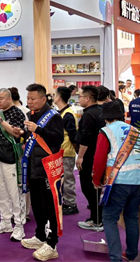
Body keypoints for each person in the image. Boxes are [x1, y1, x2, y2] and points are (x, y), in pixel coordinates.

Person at [93, 101, 140, 262]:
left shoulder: (106, 131)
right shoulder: (137, 131)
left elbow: (99, 158)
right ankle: (132, 255)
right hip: (139, 179)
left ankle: (115, 258)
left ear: (105, 118)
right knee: (132, 217)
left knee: (110, 218)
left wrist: (96, 179)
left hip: (118, 180)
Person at [18, 83, 64, 261]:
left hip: (47, 168)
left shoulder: (53, 116)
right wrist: (22, 133)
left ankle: (52, 244)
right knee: (36, 204)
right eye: (28, 98)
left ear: (43, 99)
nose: (29, 102)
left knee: (49, 206)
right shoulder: (31, 114)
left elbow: (57, 139)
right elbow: (32, 139)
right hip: (33, 167)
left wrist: (38, 130)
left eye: (33, 98)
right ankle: (40, 235)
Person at [0, 88, 26, 242]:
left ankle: (19, 225)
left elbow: (16, 133)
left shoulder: (17, 113)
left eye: (1, 98)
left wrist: (0, 120)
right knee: (1, 191)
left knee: (14, 192)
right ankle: (5, 221)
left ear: (9, 99)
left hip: (12, 156)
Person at [76, 85, 104, 231]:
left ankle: (96, 220)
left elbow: (85, 137)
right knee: (96, 186)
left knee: (88, 186)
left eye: (80, 96)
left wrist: (80, 156)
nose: (78, 99)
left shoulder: (88, 115)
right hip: (100, 155)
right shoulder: (101, 111)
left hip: (89, 155)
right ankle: (97, 217)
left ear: (87, 98)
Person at [54, 86, 79, 216]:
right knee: (62, 178)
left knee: (68, 178)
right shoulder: (61, 112)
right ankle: (66, 201)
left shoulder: (67, 114)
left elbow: (73, 135)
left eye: (54, 95)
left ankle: (71, 204)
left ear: (58, 97)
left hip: (67, 151)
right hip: (60, 150)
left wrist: (76, 150)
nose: (53, 97)